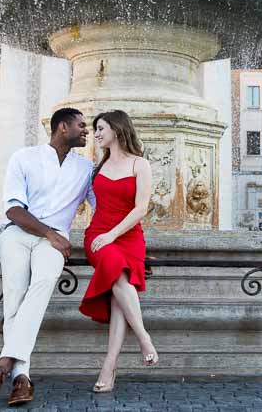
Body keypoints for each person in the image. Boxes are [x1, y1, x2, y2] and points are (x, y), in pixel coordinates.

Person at [0, 108, 95, 406]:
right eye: (80, 125)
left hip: (53, 244)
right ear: (62, 127)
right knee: (16, 297)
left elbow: (106, 205)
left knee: (43, 281)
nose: (86, 130)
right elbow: (13, 210)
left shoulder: (86, 169)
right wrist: (49, 233)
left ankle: (4, 364)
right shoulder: (24, 157)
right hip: (19, 234)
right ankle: (22, 379)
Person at [80, 110, 158, 394]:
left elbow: (141, 208)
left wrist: (113, 234)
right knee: (117, 272)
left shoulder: (140, 164)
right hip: (97, 236)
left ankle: (109, 367)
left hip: (127, 237)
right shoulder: (96, 167)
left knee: (118, 294)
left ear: (116, 128)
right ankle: (143, 337)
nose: (96, 133)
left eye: (100, 128)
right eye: (95, 129)